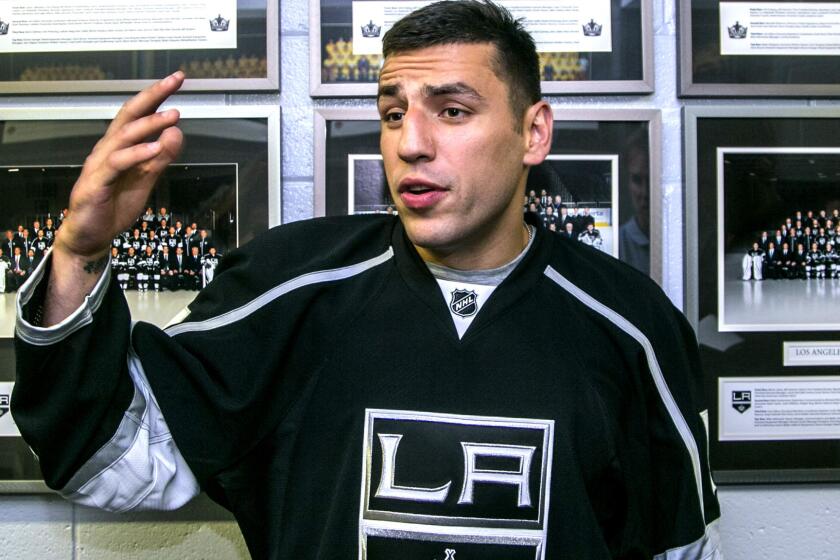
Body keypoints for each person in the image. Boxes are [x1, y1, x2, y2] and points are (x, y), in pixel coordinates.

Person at [12, 2, 721, 558]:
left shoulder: (634, 325)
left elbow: (679, 546)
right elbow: (106, 460)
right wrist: (79, 249)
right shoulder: (286, 289)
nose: (410, 142)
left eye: (452, 110)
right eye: (391, 113)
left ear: (534, 133)